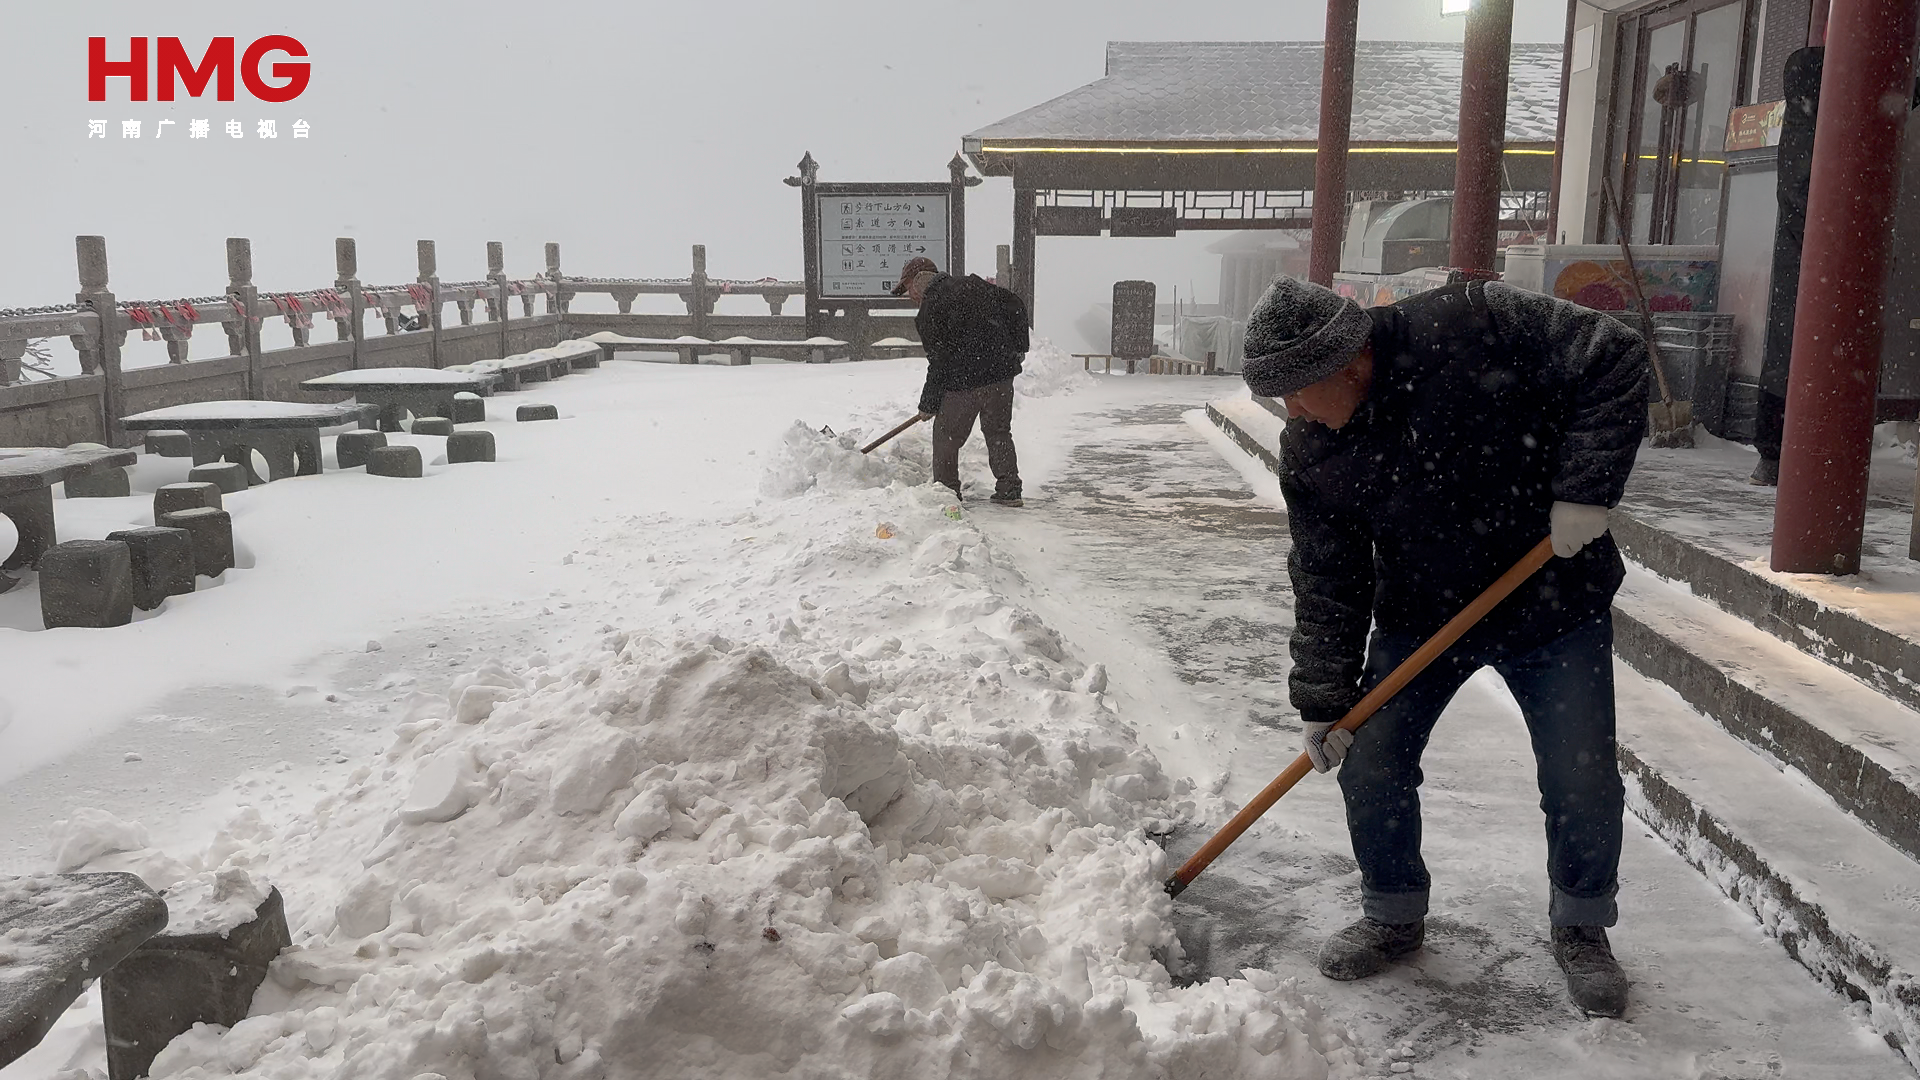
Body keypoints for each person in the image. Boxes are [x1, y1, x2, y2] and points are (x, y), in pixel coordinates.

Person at [1244, 274, 1649, 1018]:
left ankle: (1583, 925)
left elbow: (1613, 353)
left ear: (1348, 363)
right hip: (1422, 614)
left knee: (1580, 775)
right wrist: (1324, 699)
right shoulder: (1312, 449)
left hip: (1551, 599)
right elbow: (1327, 576)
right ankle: (1392, 912)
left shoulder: (1474, 320)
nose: (1291, 413)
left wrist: (1586, 489)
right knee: (1373, 759)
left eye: (1297, 392)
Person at [895, 256, 1029, 506]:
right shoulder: (974, 285)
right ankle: (1009, 488)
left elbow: (939, 362)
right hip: (1000, 377)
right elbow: (1016, 304)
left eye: (909, 288)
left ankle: (946, 493)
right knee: (998, 431)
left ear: (921, 280)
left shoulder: (930, 310)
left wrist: (929, 404)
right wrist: (1018, 348)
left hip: (964, 382)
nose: (910, 295)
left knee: (946, 435)